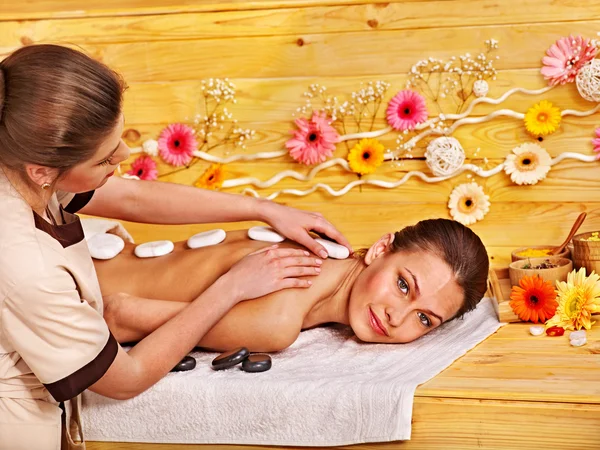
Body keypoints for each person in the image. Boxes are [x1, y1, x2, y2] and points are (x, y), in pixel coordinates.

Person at [0, 44, 351, 450]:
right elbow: (125, 378)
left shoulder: (19, 154)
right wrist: (232, 287)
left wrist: (263, 209)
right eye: (105, 160)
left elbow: (132, 199)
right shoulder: (24, 260)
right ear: (42, 171)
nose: (126, 155)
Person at [98, 219, 490, 353]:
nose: (396, 316)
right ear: (380, 249)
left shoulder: (317, 246)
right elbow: (121, 316)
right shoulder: (278, 319)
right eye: (404, 286)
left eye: (424, 319)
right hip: (68, 280)